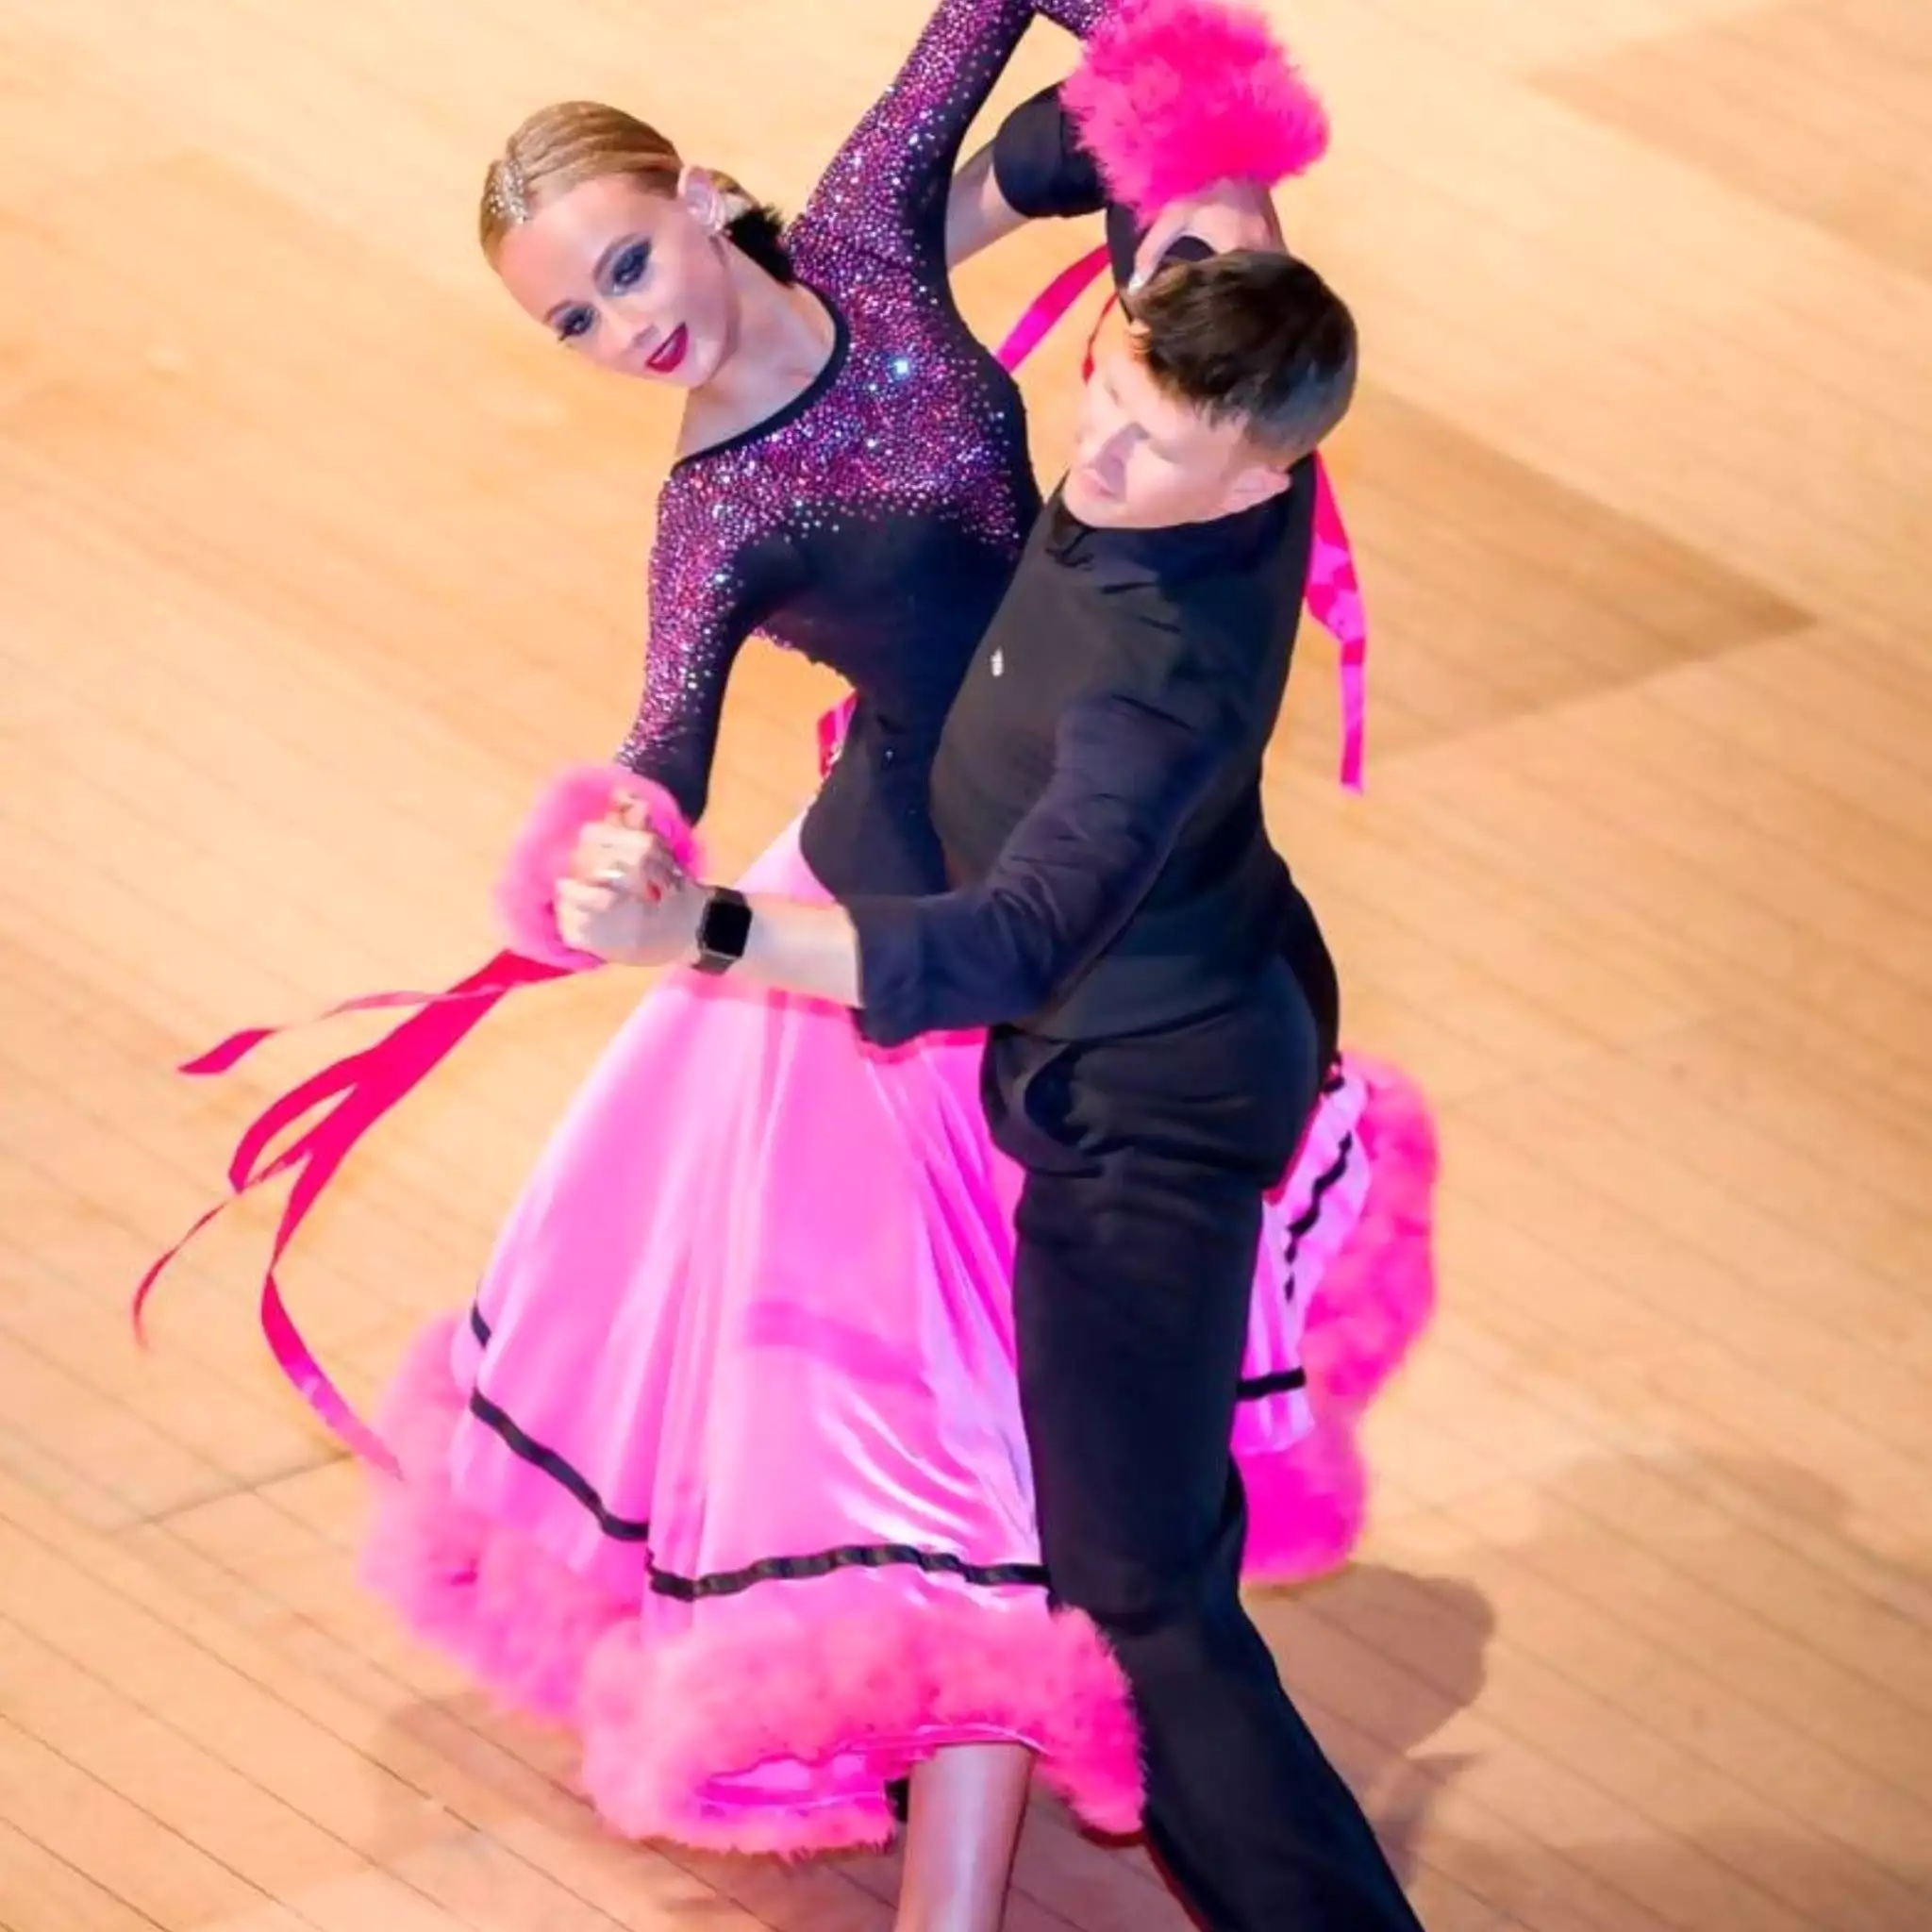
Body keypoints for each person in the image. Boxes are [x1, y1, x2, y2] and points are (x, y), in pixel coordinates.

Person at [137, 0, 1434, 1919]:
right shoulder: (715, 509)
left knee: (1028, 1459)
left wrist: (1170, 77)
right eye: (571, 323)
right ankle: (960, 1895)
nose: (622, 326)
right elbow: (660, 740)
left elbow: (981, 27)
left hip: (1062, 880)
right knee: (953, 1451)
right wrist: (621, 854)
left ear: (700, 192)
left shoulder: (866, 226)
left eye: (627, 263)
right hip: (893, 940)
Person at [562, 244, 1425, 1932]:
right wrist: (759, 242)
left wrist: (710, 927)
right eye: (1106, 382)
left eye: (1154, 441)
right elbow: (1140, 167)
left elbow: (1014, 947)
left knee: (1137, 1595)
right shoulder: (1199, 424)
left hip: (1148, 1115)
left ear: (1268, 475)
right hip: (1204, 992)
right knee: (1118, 1518)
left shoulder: (1155, 689)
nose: (1096, 448)